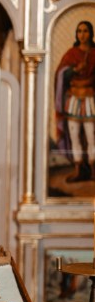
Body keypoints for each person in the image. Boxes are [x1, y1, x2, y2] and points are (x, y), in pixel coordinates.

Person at [54, 20, 95, 183]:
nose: (82, 35)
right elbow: (61, 74)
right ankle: (78, 169)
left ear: (91, 33)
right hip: (73, 99)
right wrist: (74, 70)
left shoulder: (93, 53)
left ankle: (93, 168)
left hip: (90, 98)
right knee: (74, 134)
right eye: (79, 31)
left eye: (85, 31)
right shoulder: (71, 53)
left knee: (91, 135)